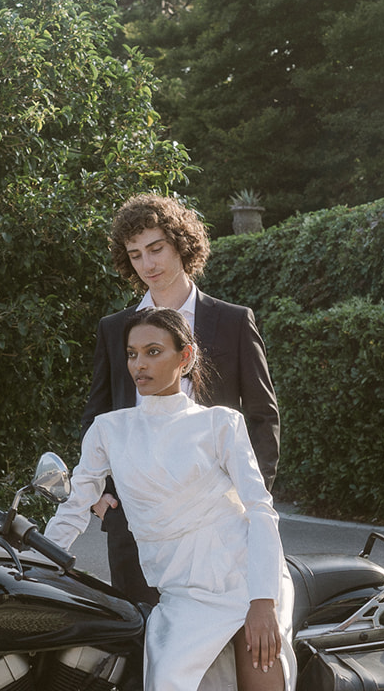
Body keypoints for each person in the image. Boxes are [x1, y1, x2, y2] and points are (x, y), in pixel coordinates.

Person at [46, 308, 326, 691]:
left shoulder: (221, 424)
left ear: (185, 357)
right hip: (181, 596)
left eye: (153, 352)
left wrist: (260, 603)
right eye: (132, 354)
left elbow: (260, 511)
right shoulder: (109, 430)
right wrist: (36, 557)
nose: (140, 365)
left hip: (241, 577)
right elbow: (77, 505)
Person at [81, 193, 280, 608]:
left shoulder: (233, 321)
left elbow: (263, 417)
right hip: (134, 521)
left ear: (182, 245)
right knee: (138, 645)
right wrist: (99, 497)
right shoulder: (115, 328)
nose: (148, 265)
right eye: (135, 255)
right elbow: (97, 415)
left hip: (215, 524)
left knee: (215, 644)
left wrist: (247, 502)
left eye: (156, 249)